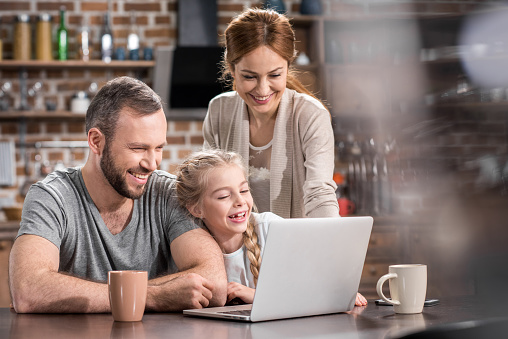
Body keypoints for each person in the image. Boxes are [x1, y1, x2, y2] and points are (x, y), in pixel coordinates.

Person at [8, 76, 227, 313]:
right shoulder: (52, 198)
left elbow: (214, 283)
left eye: (159, 148)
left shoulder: (168, 193)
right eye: (138, 148)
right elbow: (28, 290)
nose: (152, 163)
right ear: (96, 141)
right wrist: (152, 295)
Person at [175, 149, 367, 306]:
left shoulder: (269, 228)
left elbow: (313, 283)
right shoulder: (189, 245)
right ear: (197, 209)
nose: (240, 201)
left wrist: (255, 296)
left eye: (244, 190)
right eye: (224, 196)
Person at [203, 8, 339, 218]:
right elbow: (209, 187)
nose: (263, 89)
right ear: (232, 69)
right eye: (250, 77)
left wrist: (331, 239)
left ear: (288, 67)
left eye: (275, 75)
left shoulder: (310, 115)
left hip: (295, 244)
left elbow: (319, 194)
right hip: (235, 247)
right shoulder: (219, 110)